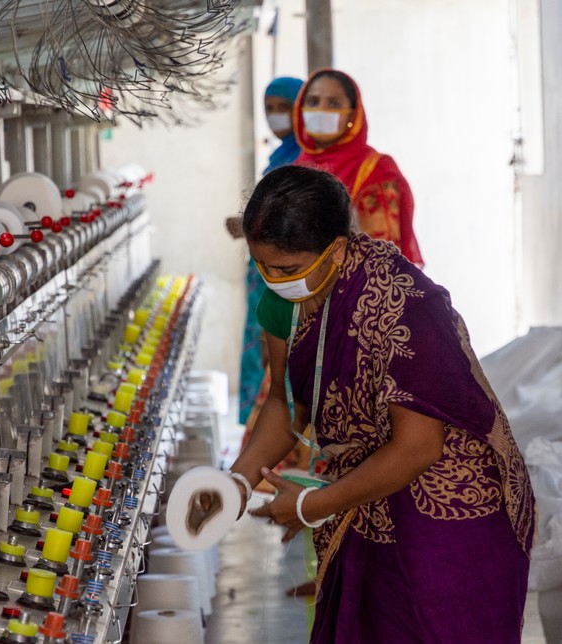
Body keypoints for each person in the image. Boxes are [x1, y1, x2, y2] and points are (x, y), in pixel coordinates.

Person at [227, 165, 535, 642]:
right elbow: (289, 405)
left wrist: (314, 505)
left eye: (288, 270)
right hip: (367, 492)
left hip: (450, 510)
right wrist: (236, 484)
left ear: (338, 247)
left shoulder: (407, 306)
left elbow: (418, 447)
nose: (275, 281)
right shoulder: (282, 302)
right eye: (262, 266)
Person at [227, 76, 305, 428]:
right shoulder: (279, 156)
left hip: (289, 275)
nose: (275, 117)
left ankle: (275, 432)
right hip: (264, 273)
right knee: (263, 346)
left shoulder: (305, 160)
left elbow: (293, 224)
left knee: (280, 351)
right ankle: (259, 429)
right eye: (269, 109)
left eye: (283, 108)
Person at [293, 69, 424, 267]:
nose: (321, 110)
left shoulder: (375, 169)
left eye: (334, 103)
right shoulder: (297, 168)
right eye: (313, 102)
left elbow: (383, 253)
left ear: (353, 114)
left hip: (359, 289)